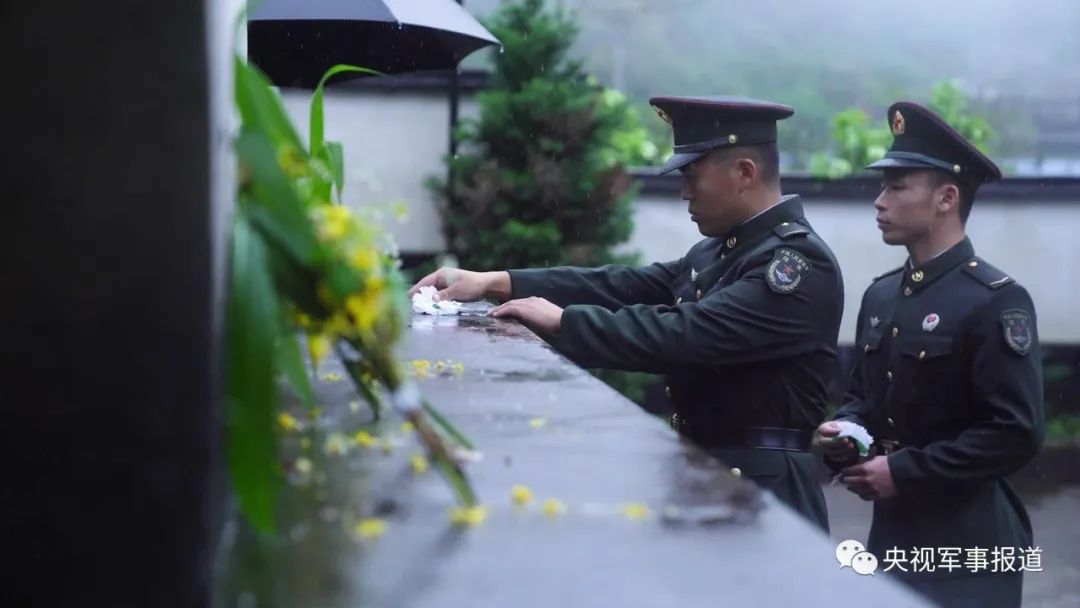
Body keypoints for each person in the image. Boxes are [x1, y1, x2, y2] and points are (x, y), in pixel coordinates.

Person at [411, 96, 845, 531]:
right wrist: (497, 281)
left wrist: (564, 321)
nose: (685, 192)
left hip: (766, 496)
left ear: (745, 173)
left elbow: (686, 334)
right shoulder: (720, 251)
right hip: (705, 474)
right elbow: (620, 285)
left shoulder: (795, 265)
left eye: (692, 175)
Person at [817, 101, 1045, 607]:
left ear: (946, 198)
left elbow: (1016, 431)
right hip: (895, 539)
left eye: (897, 187)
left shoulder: (995, 300)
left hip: (968, 544)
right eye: (883, 187)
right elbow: (863, 398)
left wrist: (903, 472)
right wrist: (846, 433)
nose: (879, 201)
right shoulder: (882, 295)